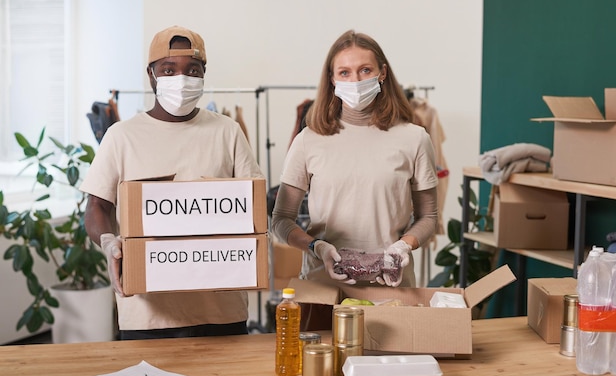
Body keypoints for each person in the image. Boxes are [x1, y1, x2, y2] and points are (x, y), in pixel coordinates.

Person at [80, 25, 264, 340]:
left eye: (192, 70)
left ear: (204, 75)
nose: (181, 79)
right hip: (148, 314)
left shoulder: (227, 132)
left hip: (221, 310)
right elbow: (97, 205)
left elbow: (254, 203)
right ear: (151, 75)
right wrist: (109, 241)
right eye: (169, 69)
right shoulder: (122, 137)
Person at [271, 30, 438, 326]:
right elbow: (281, 219)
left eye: (365, 70)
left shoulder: (414, 138)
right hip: (324, 290)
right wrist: (316, 248)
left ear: (382, 73)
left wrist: (404, 246)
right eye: (344, 72)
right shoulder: (308, 141)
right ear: (332, 80)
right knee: (323, 370)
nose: (356, 81)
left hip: (393, 291)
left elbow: (429, 217)